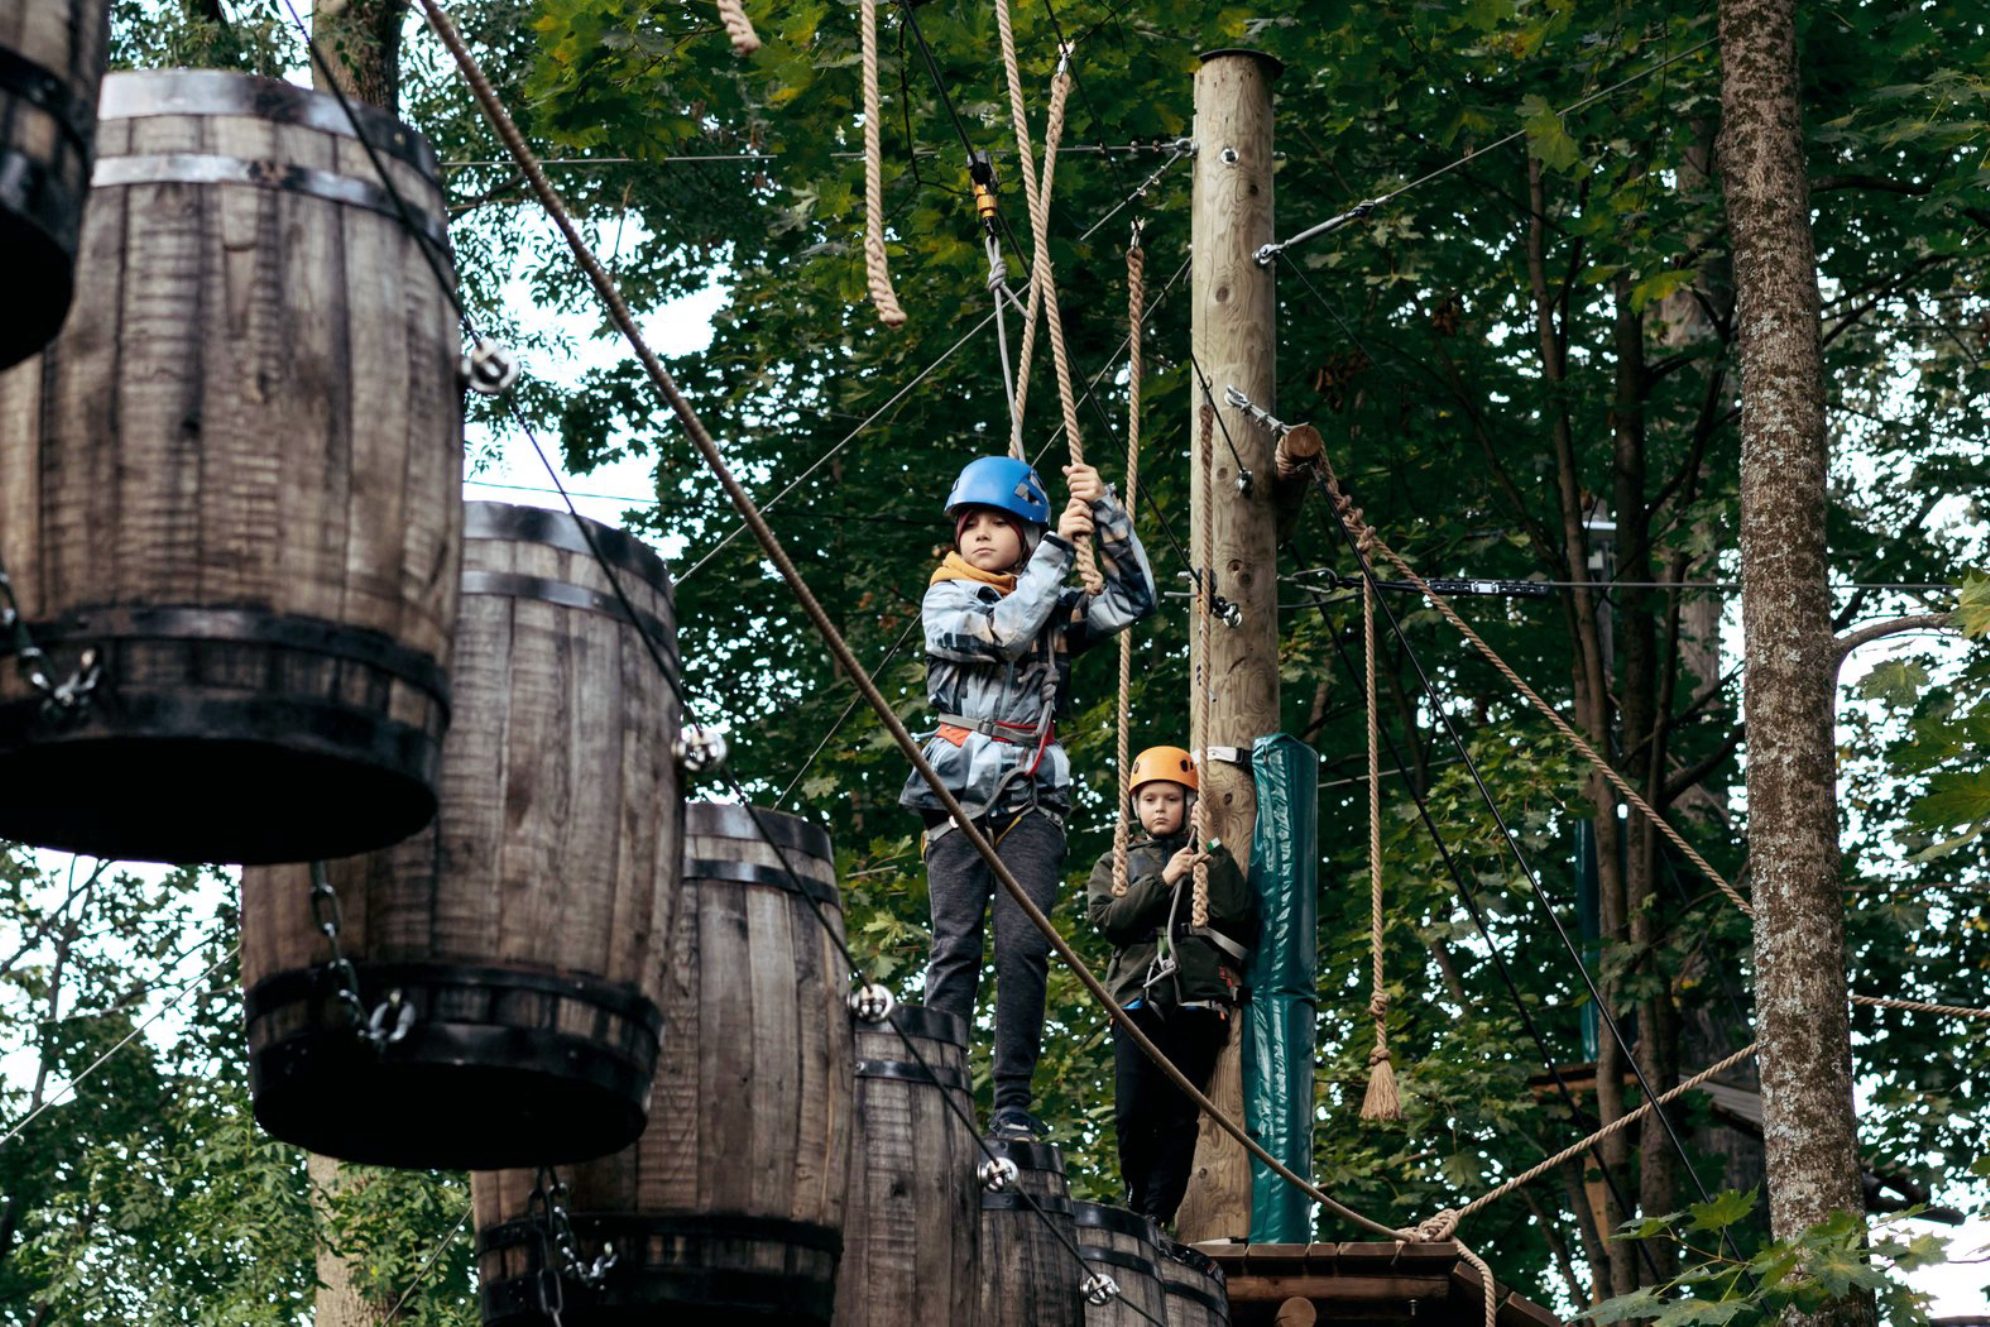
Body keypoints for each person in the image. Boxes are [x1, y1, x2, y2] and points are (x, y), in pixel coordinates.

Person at [902, 454, 1157, 1141]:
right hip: (959, 784)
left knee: (1023, 947)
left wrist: (1102, 513)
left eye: (997, 523)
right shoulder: (946, 598)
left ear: (1025, 531)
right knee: (955, 942)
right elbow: (1004, 632)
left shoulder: (1053, 606)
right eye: (970, 524)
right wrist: (1053, 551)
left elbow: (1133, 600)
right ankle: (943, 1079)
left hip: (1034, 794)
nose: (980, 535)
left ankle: (1010, 1100)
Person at [1086, 745, 1259, 1228]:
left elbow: (1238, 915)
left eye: (1170, 798)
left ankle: (1155, 1217)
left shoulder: (1209, 857)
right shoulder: (1117, 863)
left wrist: (1213, 851)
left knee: (1180, 1117)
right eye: (1149, 800)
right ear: (1136, 806)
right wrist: (1163, 880)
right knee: (1133, 1113)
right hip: (1138, 995)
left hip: (1195, 998)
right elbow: (1109, 920)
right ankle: (1138, 1201)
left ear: (1188, 803)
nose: (1159, 808)